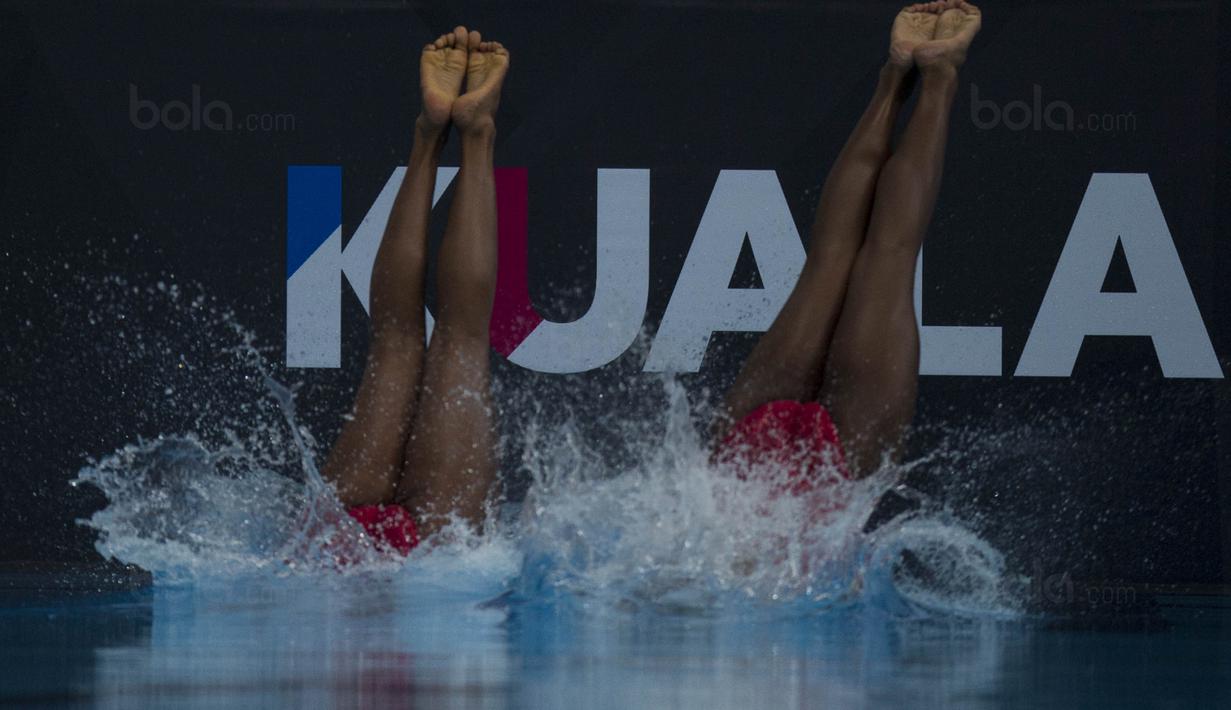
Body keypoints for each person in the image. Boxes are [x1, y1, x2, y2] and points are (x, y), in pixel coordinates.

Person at [713, 1, 981, 502]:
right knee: (837, 258)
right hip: (744, 467)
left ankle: (936, 73)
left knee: (886, 258)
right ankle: (900, 73)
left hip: (819, 491)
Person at [320, 26, 509, 554]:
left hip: (351, 562)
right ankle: (464, 132)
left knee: (416, 338)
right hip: (404, 560)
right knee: (427, 337)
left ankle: (441, 133)